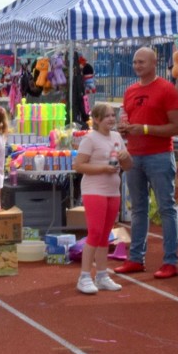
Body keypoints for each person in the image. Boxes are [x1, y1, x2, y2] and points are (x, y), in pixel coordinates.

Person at [115, 46, 178, 280]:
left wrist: (144, 129)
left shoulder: (167, 89)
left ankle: (170, 261)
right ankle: (135, 258)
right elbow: (128, 121)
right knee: (138, 209)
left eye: (141, 62)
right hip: (134, 156)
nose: (137, 66)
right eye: (135, 62)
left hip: (160, 156)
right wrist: (124, 130)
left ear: (154, 63)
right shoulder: (130, 90)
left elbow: (177, 128)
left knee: (166, 208)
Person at [73, 103, 133, 294]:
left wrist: (125, 156)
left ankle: (101, 275)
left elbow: (128, 165)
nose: (111, 119)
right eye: (106, 116)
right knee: (96, 232)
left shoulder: (116, 137)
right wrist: (103, 169)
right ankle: (84, 276)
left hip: (112, 190)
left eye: (112, 115)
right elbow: (79, 165)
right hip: (94, 190)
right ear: (96, 120)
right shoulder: (90, 139)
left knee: (106, 234)